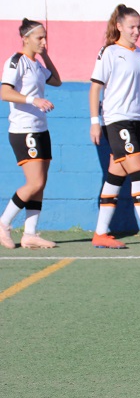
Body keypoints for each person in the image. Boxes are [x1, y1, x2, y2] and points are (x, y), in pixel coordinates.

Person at [89, 5, 140, 251]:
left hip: (137, 121)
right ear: (119, 26)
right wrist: (95, 122)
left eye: (139, 27)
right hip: (117, 120)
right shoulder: (109, 52)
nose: (136, 31)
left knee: (115, 175)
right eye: (132, 27)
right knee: (138, 169)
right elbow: (95, 88)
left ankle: (100, 233)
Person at [0, 19, 63, 249]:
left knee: (40, 183)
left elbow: (56, 80)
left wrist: (45, 56)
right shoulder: (16, 61)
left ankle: (30, 234)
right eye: (39, 38)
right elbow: (5, 92)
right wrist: (33, 100)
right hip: (24, 130)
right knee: (34, 182)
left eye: (45, 37)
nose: (44, 41)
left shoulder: (36, 64)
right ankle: (3, 223)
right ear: (25, 38)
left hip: (40, 129)